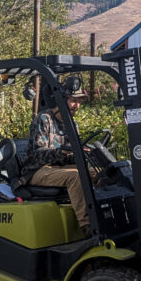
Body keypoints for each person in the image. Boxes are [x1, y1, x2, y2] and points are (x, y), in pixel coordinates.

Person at [19, 79, 95, 233]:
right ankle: (88, 226)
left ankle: (102, 214)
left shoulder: (71, 124)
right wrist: (60, 152)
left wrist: (81, 154)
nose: (77, 105)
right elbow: (36, 154)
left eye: (79, 102)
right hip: (37, 170)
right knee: (75, 176)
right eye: (73, 101)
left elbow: (69, 157)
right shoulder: (43, 119)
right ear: (61, 100)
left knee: (97, 173)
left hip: (58, 168)